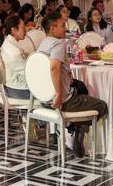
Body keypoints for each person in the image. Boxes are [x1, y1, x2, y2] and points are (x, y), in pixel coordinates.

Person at [38, 12, 108, 157]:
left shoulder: (42, 45)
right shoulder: (58, 44)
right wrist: (58, 95)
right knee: (102, 106)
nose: (65, 28)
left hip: (43, 100)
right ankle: (77, 129)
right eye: (62, 25)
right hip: (61, 102)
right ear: (53, 28)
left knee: (80, 86)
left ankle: (73, 128)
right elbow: (54, 67)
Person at [0, 15, 31, 100]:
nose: (26, 30)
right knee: (50, 92)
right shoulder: (13, 51)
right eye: (23, 27)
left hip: (11, 87)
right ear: (14, 30)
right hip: (17, 90)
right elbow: (27, 72)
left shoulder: (8, 43)